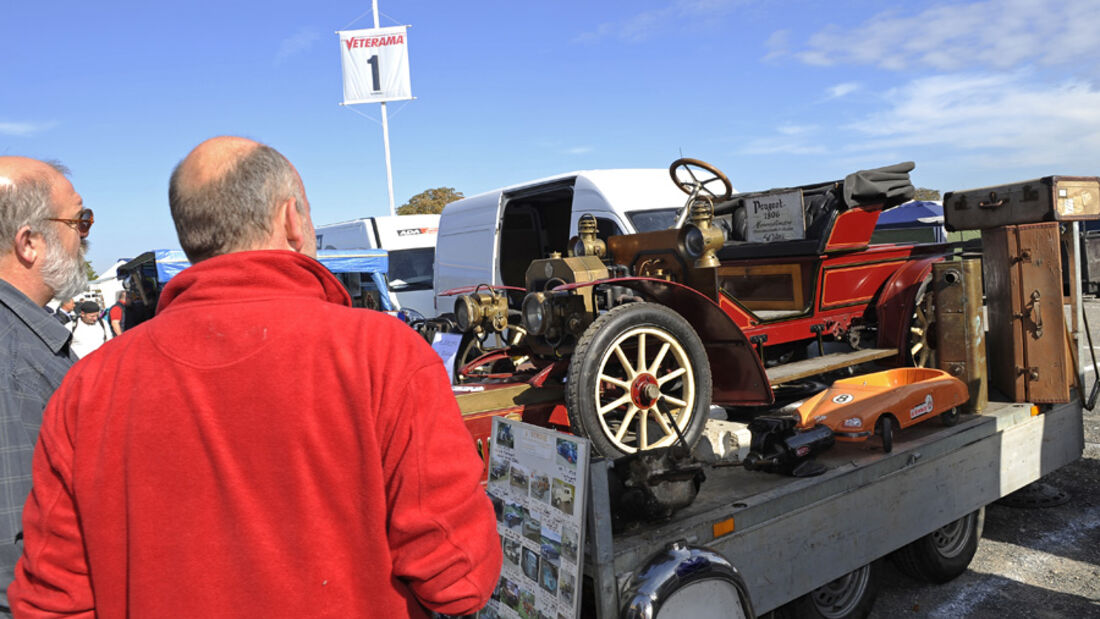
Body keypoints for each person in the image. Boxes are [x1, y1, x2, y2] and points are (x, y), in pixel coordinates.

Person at [10, 136, 501, 617]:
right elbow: (457, 579)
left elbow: (53, 598)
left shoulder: (89, 386)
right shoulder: (383, 354)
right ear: (292, 219)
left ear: (191, 235)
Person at [0, 156, 89, 614]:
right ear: (29, 243)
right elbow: (11, 559)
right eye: (80, 220)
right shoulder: (13, 361)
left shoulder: (29, 339)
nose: (85, 239)